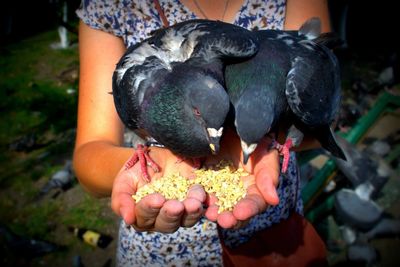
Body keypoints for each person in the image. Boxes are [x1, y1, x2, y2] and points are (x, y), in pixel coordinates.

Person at [73, 0, 331, 266]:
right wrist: (152, 167)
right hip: (164, 252)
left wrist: (256, 136)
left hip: (271, 234)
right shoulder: (111, 8)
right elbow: (88, 156)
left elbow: (318, 114)